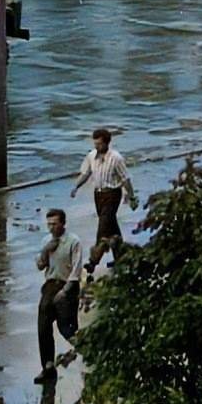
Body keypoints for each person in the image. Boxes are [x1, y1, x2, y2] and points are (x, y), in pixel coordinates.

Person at [33, 209, 83, 384]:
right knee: (43, 327)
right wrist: (46, 250)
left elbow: (76, 269)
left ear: (63, 223)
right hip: (49, 286)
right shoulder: (46, 241)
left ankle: (91, 352)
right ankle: (47, 367)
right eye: (49, 224)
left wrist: (66, 291)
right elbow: (40, 265)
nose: (52, 227)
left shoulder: (73, 241)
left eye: (55, 224)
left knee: (66, 328)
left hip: (67, 286)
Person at [73, 128, 133, 268]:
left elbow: (125, 179)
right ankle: (121, 257)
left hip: (112, 194)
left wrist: (131, 195)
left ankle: (93, 261)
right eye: (95, 144)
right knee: (112, 227)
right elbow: (85, 173)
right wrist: (76, 186)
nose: (97, 147)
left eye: (99, 144)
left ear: (107, 143)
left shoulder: (116, 158)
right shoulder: (91, 156)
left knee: (103, 227)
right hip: (98, 195)